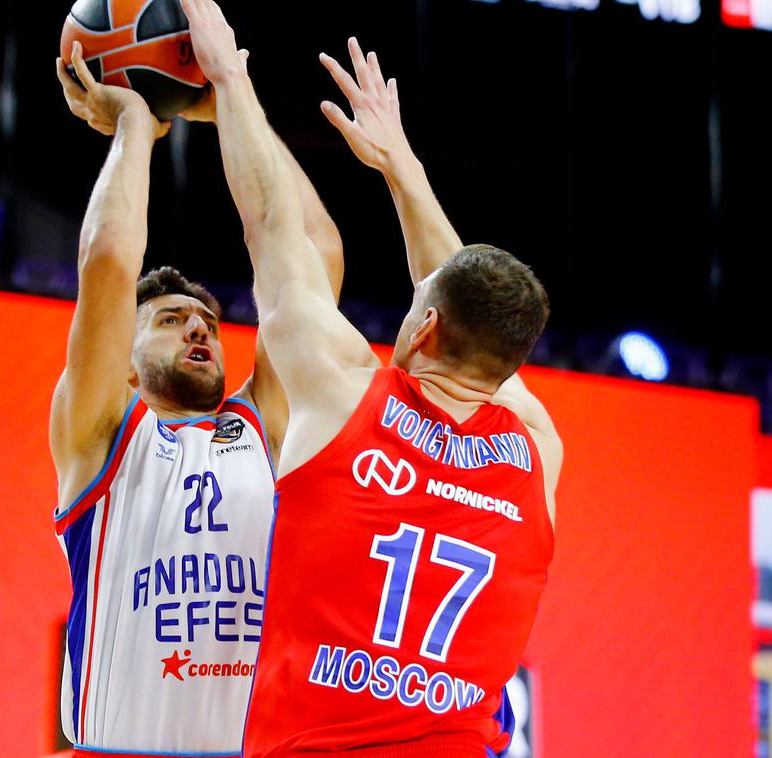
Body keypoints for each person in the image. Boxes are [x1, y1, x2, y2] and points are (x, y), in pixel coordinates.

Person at [179, 1, 561, 754]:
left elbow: (275, 229)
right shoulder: (536, 450)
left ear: (422, 328)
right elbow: (469, 305)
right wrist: (406, 173)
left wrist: (228, 77)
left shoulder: (344, 392)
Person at [48, 40, 343, 757]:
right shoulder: (99, 436)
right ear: (123, 363)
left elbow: (315, 249)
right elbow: (110, 262)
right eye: (171, 321)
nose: (198, 329)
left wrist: (231, 109)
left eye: (207, 322)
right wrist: (132, 128)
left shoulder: (261, 425)